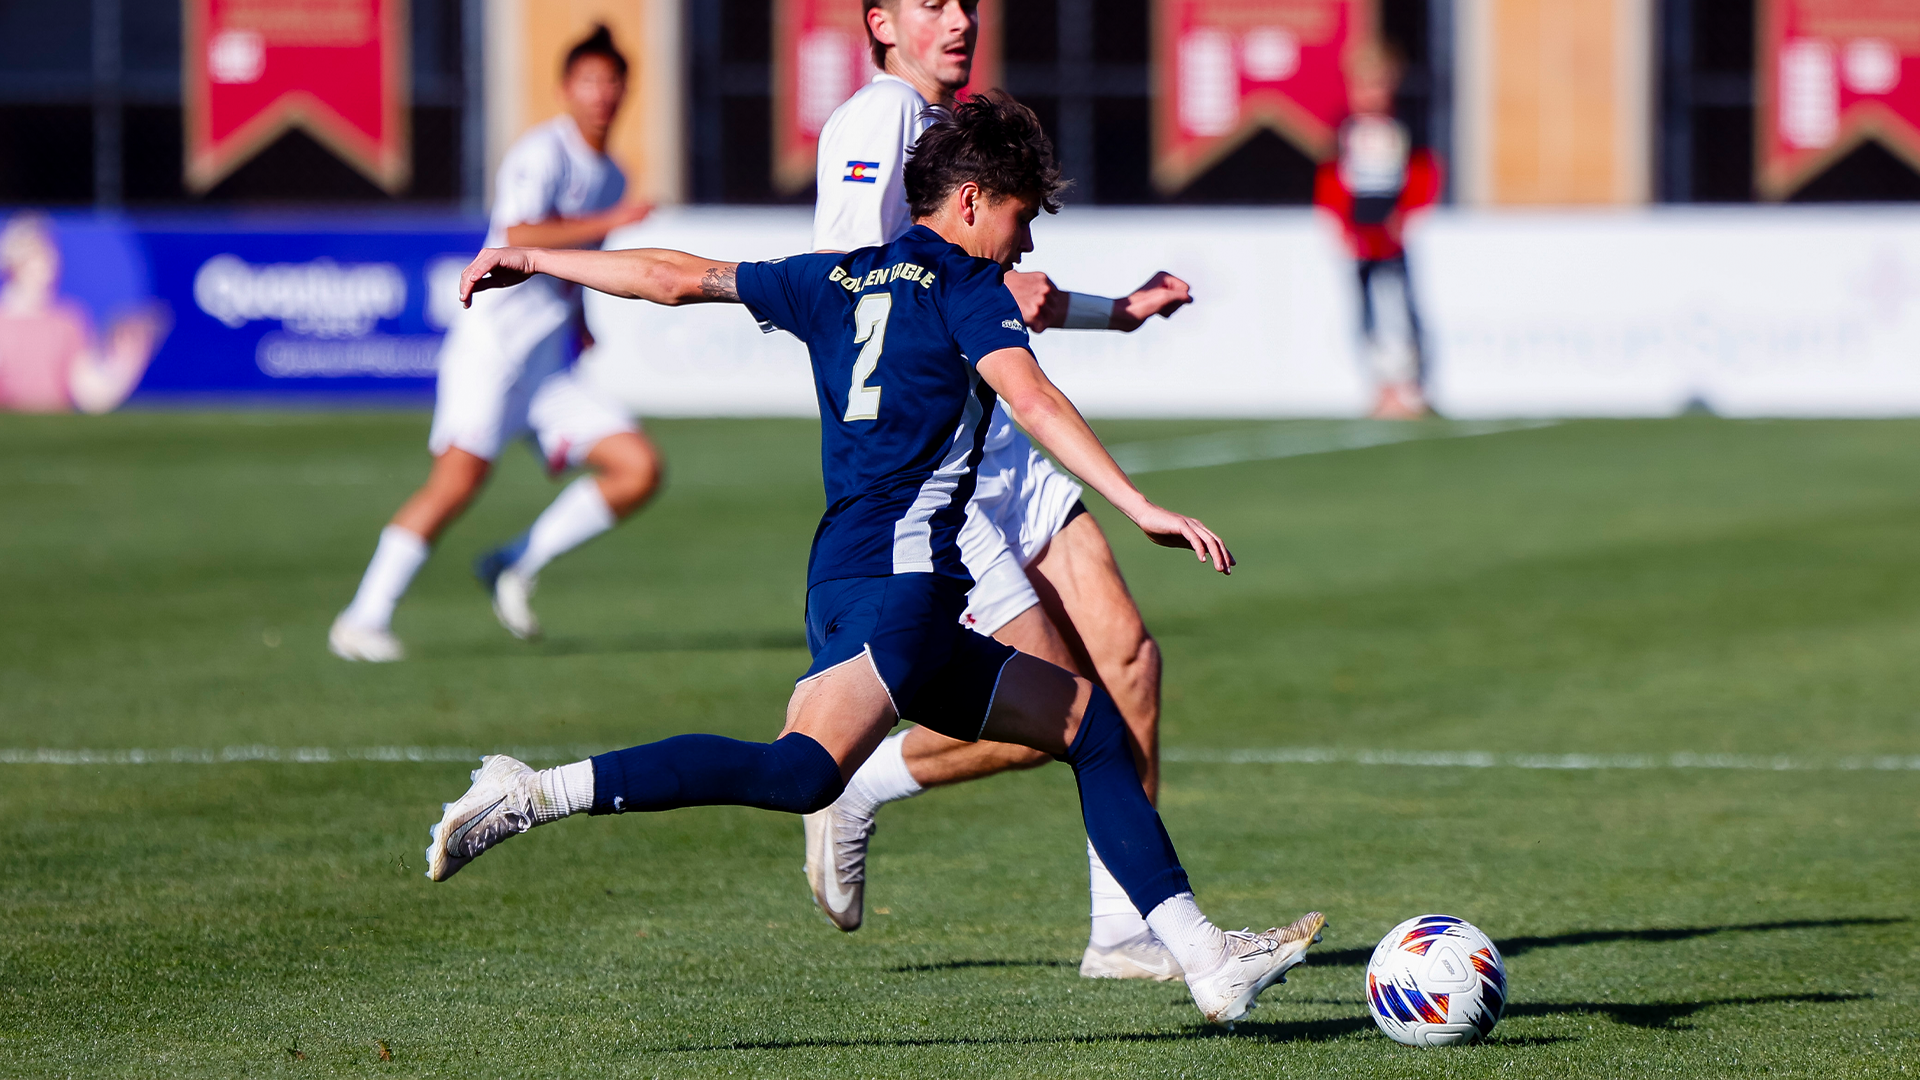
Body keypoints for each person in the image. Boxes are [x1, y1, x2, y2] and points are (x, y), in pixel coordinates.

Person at [425, 93, 1324, 1027]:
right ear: (971, 201)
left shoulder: (836, 277)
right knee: (800, 773)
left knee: (1087, 726)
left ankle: (1204, 957)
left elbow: (675, 276)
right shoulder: (970, 292)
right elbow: (1035, 398)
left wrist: (531, 257)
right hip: (903, 592)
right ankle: (532, 791)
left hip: (846, 584)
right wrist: (1138, 504)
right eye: (1018, 218)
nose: (1020, 248)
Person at [803, 0, 1195, 984]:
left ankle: (1123, 932)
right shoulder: (878, 118)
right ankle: (856, 786)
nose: (957, 18)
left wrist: (1119, 313)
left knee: (1130, 663)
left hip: (1005, 450)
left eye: (965, 3)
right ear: (880, 22)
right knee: (1050, 717)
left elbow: (1001, 296)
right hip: (938, 467)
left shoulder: (954, 129)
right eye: (929, 3)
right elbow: (851, 286)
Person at [329, 26, 662, 662]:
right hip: (492, 350)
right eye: (590, 80)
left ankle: (512, 562)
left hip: (546, 366)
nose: (602, 94)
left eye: (613, 82)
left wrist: (581, 314)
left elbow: (576, 262)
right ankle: (361, 618)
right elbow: (517, 232)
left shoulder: (612, 174)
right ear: (567, 89)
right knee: (455, 483)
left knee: (638, 467)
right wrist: (612, 222)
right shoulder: (545, 151)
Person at [1313, 41, 1442, 420]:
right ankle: (1381, 388)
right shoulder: (1344, 130)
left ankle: (1412, 386)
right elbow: (1331, 180)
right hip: (1360, 239)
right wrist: (1338, 223)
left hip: (1392, 238)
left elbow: (1425, 173)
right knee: (1368, 315)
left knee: (1402, 312)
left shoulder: (1404, 128)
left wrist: (1407, 214)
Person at [0, 212, 166, 415]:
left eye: (48, 255)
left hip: (53, 435)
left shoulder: (67, 321)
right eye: (36, 256)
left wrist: (127, 359)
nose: (47, 266)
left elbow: (88, 393)